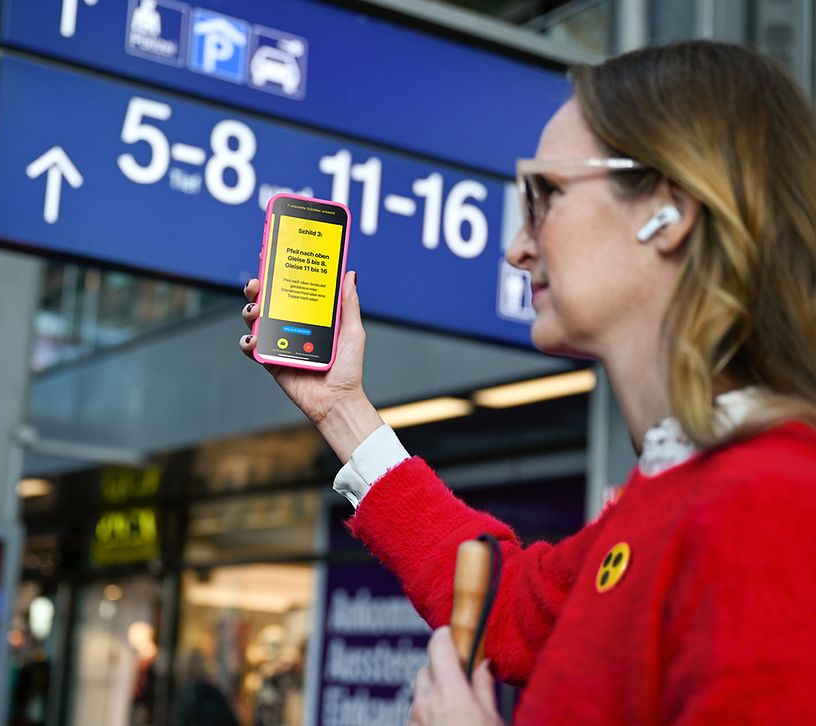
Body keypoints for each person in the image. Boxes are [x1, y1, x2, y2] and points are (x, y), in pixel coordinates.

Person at [238, 40, 816, 723]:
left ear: (673, 209)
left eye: (546, 195)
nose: (517, 246)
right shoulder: (692, 489)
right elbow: (508, 606)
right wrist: (341, 408)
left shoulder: (769, 506)